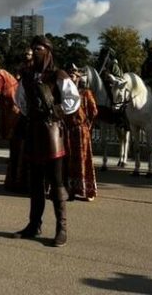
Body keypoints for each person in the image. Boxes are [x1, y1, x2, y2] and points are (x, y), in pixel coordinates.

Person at [12, 35, 80, 247]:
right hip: (34, 130)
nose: (36, 51)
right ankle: (34, 225)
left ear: (48, 51)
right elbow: (20, 100)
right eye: (34, 48)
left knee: (56, 182)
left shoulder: (58, 75)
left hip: (52, 133)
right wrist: (32, 114)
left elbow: (73, 99)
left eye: (40, 48)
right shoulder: (27, 75)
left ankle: (62, 228)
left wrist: (56, 111)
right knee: (35, 183)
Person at [63, 63, 98, 202]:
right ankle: (69, 190)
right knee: (68, 159)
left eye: (73, 75)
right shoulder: (64, 93)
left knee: (82, 159)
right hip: (67, 130)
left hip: (81, 130)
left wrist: (87, 123)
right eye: (69, 75)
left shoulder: (85, 92)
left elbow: (94, 110)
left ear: (78, 77)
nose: (71, 78)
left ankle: (85, 190)